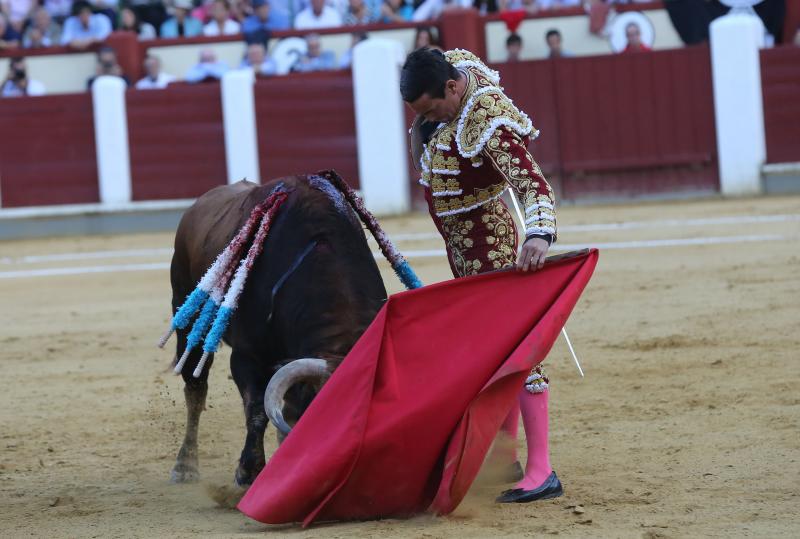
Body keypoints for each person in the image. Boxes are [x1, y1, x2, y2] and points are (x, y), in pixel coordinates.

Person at [401, 48, 560, 503]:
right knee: (493, 353)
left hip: (491, 244)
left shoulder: (487, 119)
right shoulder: (448, 70)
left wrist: (540, 236)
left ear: (452, 89)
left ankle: (541, 469)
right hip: (462, 250)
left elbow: (533, 182)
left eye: (432, 109)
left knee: (519, 351)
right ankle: (504, 455)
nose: (429, 119)